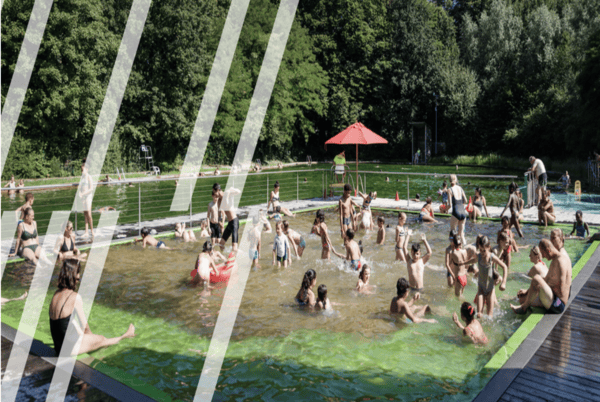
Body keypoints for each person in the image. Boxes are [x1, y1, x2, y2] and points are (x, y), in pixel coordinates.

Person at [49, 259, 135, 355]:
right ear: (73, 275)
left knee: (72, 321)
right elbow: (85, 327)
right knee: (102, 339)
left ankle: (89, 341)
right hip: (69, 349)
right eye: (78, 273)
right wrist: (93, 340)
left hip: (58, 347)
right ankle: (125, 336)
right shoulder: (75, 297)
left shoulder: (56, 294)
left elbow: (58, 324)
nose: (79, 276)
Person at [511, 239, 572, 315]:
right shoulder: (556, 259)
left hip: (559, 304)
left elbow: (561, 291)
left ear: (548, 250)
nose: (542, 256)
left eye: (543, 253)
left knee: (536, 278)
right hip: (555, 299)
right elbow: (546, 280)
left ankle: (524, 308)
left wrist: (542, 288)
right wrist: (527, 291)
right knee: (522, 298)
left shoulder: (560, 262)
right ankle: (526, 307)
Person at [474, 235, 507, 317]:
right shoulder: (479, 256)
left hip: (490, 288)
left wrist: (503, 282)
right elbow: (477, 263)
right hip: (482, 288)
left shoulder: (492, 256)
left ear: (488, 247)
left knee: (490, 316)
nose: (482, 252)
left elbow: (504, 266)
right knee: (479, 315)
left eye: (483, 250)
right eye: (480, 250)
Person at [216, 185, 242, 253]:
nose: (214, 195)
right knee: (221, 244)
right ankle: (225, 256)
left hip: (234, 222)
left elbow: (239, 191)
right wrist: (220, 222)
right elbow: (219, 214)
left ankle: (244, 254)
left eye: (214, 192)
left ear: (218, 190)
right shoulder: (219, 201)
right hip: (230, 223)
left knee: (234, 248)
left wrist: (232, 189)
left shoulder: (227, 193)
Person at [446, 175, 468, 246]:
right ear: (456, 180)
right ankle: (464, 248)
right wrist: (461, 206)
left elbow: (450, 205)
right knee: (462, 235)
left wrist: (445, 209)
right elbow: (466, 200)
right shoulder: (460, 188)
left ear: (449, 180)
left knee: (453, 233)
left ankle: (452, 249)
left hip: (456, 212)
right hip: (462, 211)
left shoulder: (449, 190)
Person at [78, 160, 95, 239]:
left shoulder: (89, 177)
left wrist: (83, 193)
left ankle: (92, 231)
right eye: (81, 170)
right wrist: (80, 193)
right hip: (83, 197)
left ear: (87, 169)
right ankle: (86, 232)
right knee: (85, 214)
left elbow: (91, 188)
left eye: (83, 170)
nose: (82, 172)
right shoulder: (82, 178)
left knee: (89, 213)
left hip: (88, 197)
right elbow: (80, 188)